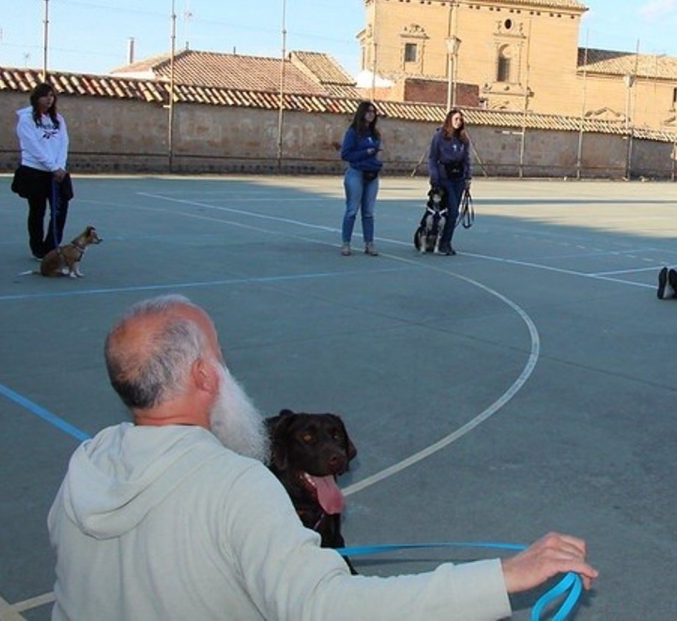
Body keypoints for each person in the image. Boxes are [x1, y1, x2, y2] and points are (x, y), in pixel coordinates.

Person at [48, 295, 597, 620]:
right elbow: (329, 608)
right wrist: (501, 577)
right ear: (201, 376)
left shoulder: (87, 463)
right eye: (220, 356)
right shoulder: (236, 485)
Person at [13, 82, 72, 259]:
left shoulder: (58, 119)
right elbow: (33, 147)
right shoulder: (26, 119)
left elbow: (64, 142)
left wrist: (60, 166)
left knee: (60, 210)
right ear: (36, 98)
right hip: (35, 172)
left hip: (58, 173)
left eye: (52, 96)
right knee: (37, 211)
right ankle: (38, 249)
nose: (49, 99)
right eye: (45, 96)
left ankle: (52, 247)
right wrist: (51, 167)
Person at [340, 101, 384, 256]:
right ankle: (346, 243)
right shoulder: (353, 132)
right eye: (368, 111)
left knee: (369, 212)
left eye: (373, 111)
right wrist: (366, 152)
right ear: (361, 113)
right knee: (352, 209)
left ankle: (369, 243)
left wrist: (378, 162)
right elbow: (345, 154)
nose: (371, 114)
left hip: (372, 175)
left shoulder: (375, 134)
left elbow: (378, 153)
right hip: (356, 173)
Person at [428, 108, 472, 256]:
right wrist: (434, 177)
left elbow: (466, 159)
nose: (458, 122)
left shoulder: (463, 139)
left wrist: (468, 177)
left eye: (461, 119)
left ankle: (446, 241)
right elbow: (433, 158)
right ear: (450, 120)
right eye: (456, 119)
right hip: (444, 178)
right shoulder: (439, 136)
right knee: (451, 211)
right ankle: (441, 242)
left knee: (454, 212)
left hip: (458, 178)